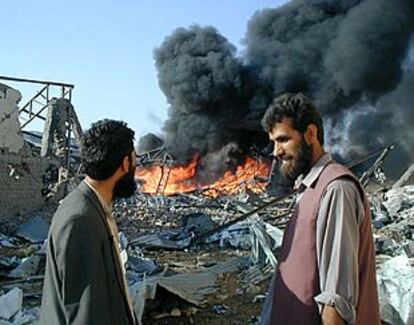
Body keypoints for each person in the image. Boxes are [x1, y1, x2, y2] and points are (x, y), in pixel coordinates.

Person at [260, 93, 380, 325]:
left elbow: (336, 301)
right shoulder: (310, 187)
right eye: (274, 142)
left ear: (310, 134)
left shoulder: (336, 189)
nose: (276, 151)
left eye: (283, 139)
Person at [40, 119, 138, 325]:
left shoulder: (93, 206)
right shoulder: (81, 221)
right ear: (125, 163)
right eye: (134, 160)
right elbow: (86, 313)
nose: (135, 167)